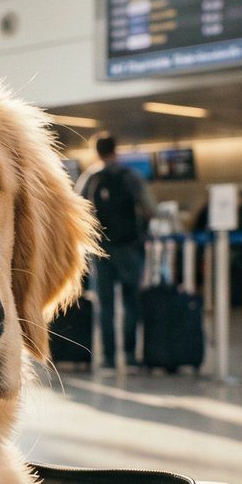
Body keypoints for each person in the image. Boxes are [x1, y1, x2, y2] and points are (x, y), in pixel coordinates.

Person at [76, 133, 155, 373]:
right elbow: (150, 209)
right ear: (116, 150)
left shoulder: (90, 177)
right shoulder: (130, 176)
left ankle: (109, 359)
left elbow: (76, 213)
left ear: (96, 152)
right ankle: (130, 357)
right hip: (130, 247)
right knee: (132, 302)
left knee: (105, 305)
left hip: (101, 250)